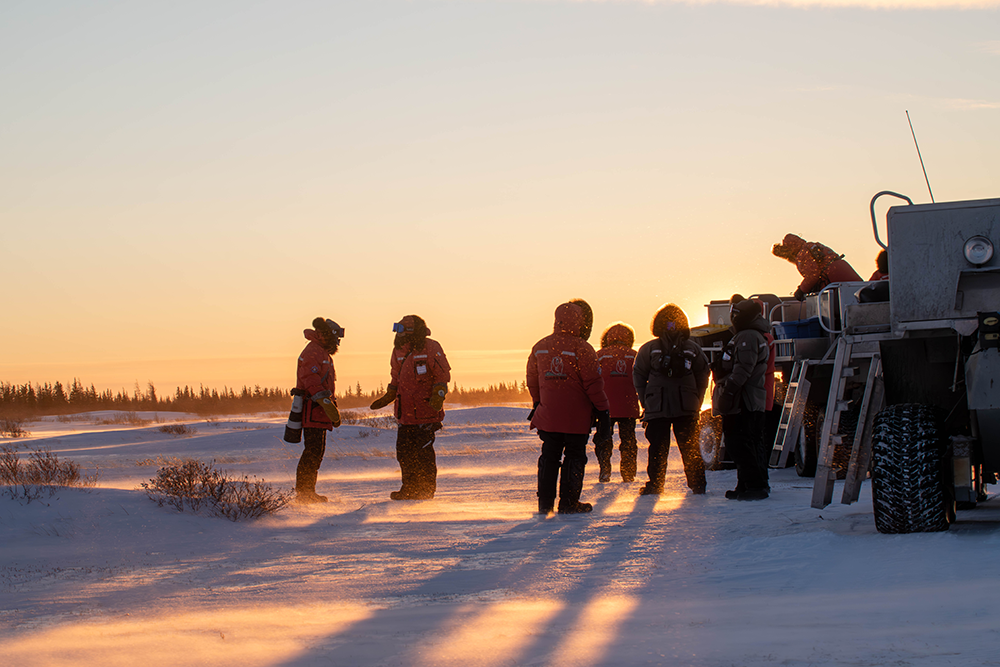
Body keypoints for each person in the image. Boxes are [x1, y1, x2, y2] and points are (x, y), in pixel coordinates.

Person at [527, 302, 611, 514]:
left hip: (549, 415)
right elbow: (593, 384)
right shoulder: (582, 348)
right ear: (581, 322)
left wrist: (538, 403)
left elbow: (532, 379)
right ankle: (569, 502)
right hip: (576, 417)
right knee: (575, 456)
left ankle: (544, 503)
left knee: (549, 455)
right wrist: (603, 411)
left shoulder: (540, 347)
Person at [369, 315, 451, 500]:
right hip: (404, 414)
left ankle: (426, 491)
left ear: (413, 330)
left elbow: (442, 374)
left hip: (425, 412)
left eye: (402, 329)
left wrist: (438, 394)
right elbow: (395, 376)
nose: (399, 334)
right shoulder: (397, 351)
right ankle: (409, 489)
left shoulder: (431, 347)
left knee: (423, 453)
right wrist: (389, 394)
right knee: (404, 453)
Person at [632, 304, 710, 496]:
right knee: (688, 446)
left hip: (659, 407)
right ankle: (698, 484)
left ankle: (656, 484)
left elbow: (638, 376)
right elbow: (703, 374)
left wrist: (646, 401)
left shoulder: (648, 349)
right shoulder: (693, 348)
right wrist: (697, 401)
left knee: (659, 448)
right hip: (683, 407)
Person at [712, 298, 771, 500]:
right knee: (748, 443)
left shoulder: (747, 336)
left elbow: (743, 368)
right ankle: (746, 483)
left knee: (739, 443)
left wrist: (730, 391)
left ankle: (755, 485)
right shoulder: (749, 335)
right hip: (748, 399)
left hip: (743, 400)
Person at [293, 317, 344, 503]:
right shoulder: (313, 351)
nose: (338, 342)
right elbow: (310, 378)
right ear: (326, 335)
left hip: (319, 410)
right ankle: (304, 493)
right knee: (312, 451)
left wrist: (330, 406)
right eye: (336, 337)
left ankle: (308, 491)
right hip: (313, 408)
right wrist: (324, 401)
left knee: (316, 451)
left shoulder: (322, 353)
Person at [594, 323, 640, 483]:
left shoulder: (599, 355)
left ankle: (605, 470)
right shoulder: (635, 356)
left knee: (604, 439)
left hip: (605, 407)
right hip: (629, 406)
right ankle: (628, 473)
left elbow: (591, 379)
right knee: (628, 440)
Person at [772, 234, 862, 300]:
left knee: (841, 311)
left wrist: (801, 290)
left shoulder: (802, 254)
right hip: (845, 271)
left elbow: (813, 275)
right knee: (860, 296)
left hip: (835, 279)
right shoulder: (812, 246)